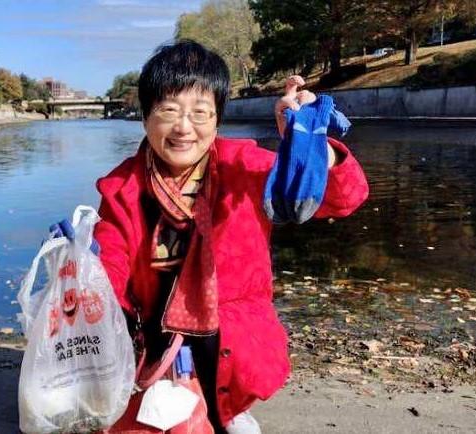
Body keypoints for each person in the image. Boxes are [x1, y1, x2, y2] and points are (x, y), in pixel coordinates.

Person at [92, 41, 368, 433]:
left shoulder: (242, 165)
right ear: (146, 118)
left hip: (233, 334)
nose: (184, 127)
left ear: (218, 119)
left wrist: (311, 149)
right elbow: (110, 257)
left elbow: (343, 199)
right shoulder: (123, 186)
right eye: (168, 110)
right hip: (154, 334)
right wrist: (92, 301)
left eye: (200, 113)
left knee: (224, 407)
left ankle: (227, 407)